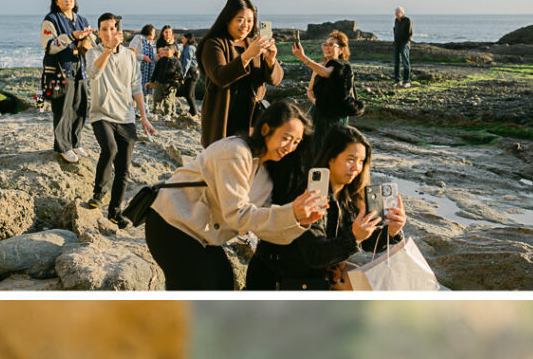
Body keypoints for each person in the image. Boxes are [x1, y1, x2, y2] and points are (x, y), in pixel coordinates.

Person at [144, 98, 327, 291]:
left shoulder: (266, 173)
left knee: (224, 286)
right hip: (171, 223)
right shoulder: (236, 152)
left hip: (204, 235)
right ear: (265, 129)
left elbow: (263, 227)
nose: (289, 147)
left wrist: (300, 221)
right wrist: (291, 212)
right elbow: (237, 216)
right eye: (286, 138)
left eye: (296, 142)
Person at [246, 125, 406, 291]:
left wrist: (392, 231)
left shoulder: (351, 195)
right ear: (331, 158)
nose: (356, 168)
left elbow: (369, 243)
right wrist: (354, 237)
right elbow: (315, 254)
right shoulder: (310, 195)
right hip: (278, 280)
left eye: (361, 161)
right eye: (350, 159)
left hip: (313, 277)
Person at [85, 14, 155, 228]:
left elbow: (136, 87)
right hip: (101, 114)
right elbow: (93, 73)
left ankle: (115, 213)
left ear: (119, 32)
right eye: (104, 29)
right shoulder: (92, 53)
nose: (108, 33)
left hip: (126, 117)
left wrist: (144, 117)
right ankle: (99, 193)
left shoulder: (129, 56)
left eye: (112, 29)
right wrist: (107, 49)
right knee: (110, 148)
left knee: (124, 169)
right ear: (98, 32)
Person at [196, 0, 283, 148]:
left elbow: (275, 80)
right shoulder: (214, 44)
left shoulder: (254, 43)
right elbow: (220, 76)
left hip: (252, 120)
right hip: (223, 119)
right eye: (240, 20)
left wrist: (271, 61)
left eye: (250, 21)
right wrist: (249, 54)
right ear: (228, 19)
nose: (245, 25)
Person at [40, 0, 93, 163]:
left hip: (81, 68)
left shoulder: (82, 19)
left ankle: (76, 142)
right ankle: (63, 147)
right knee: (63, 108)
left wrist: (89, 38)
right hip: (61, 70)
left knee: (80, 106)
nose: (68, 0)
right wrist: (71, 36)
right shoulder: (51, 19)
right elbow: (49, 46)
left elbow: (91, 46)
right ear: (56, 1)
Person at [292, 30, 358, 153]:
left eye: (332, 45)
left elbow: (326, 73)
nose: (327, 47)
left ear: (341, 50)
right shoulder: (318, 66)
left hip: (335, 115)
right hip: (318, 113)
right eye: (325, 44)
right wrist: (315, 101)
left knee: (332, 148)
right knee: (312, 146)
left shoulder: (343, 66)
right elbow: (310, 90)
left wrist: (302, 57)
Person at [151, 45, 183, 118]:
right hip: (159, 82)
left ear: (173, 51)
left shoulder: (176, 61)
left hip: (170, 84)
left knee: (168, 99)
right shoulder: (161, 60)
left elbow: (180, 73)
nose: (165, 51)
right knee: (157, 98)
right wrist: (152, 81)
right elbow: (156, 71)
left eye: (167, 50)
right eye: (164, 50)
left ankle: (167, 114)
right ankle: (155, 113)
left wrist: (176, 76)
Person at [128, 24, 157, 97]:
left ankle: (144, 105)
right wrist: (143, 57)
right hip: (139, 68)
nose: (155, 34)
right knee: (136, 89)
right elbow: (131, 52)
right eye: (153, 32)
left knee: (146, 89)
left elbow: (151, 56)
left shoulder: (150, 42)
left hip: (148, 70)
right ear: (149, 31)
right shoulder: (138, 38)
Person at [179, 32, 200, 119]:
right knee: (191, 94)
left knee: (187, 94)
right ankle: (192, 111)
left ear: (187, 39)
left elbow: (186, 62)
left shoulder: (189, 48)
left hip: (191, 72)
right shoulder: (191, 47)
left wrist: (183, 75)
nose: (181, 40)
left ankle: (194, 113)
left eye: (183, 38)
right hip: (194, 71)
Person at [393, 7, 413, 88]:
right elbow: (395, 30)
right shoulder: (396, 20)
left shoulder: (407, 20)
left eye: (397, 13)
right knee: (396, 63)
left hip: (404, 44)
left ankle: (407, 81)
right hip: (396, 44)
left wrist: (405, 42)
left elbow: (410, 34)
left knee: (405, 62)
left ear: (402, 13)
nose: (396, 14)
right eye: (395, 13)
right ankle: (397, 80)